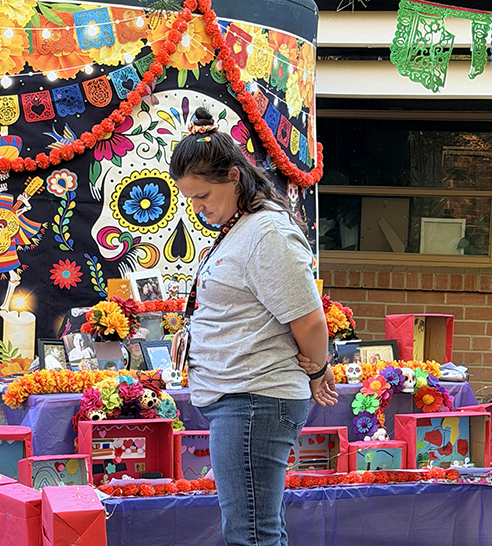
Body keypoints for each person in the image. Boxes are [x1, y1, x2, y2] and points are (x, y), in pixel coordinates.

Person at [169, 107, 338, 546]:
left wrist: (319, 369)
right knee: (254, 529)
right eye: (190, 198)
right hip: (243, 398)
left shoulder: (267, 234)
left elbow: (309, 319)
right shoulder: (240, 227)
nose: (197, 206)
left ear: (233, 177)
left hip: (254, 400)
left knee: (252, 535)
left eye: (203, 195)